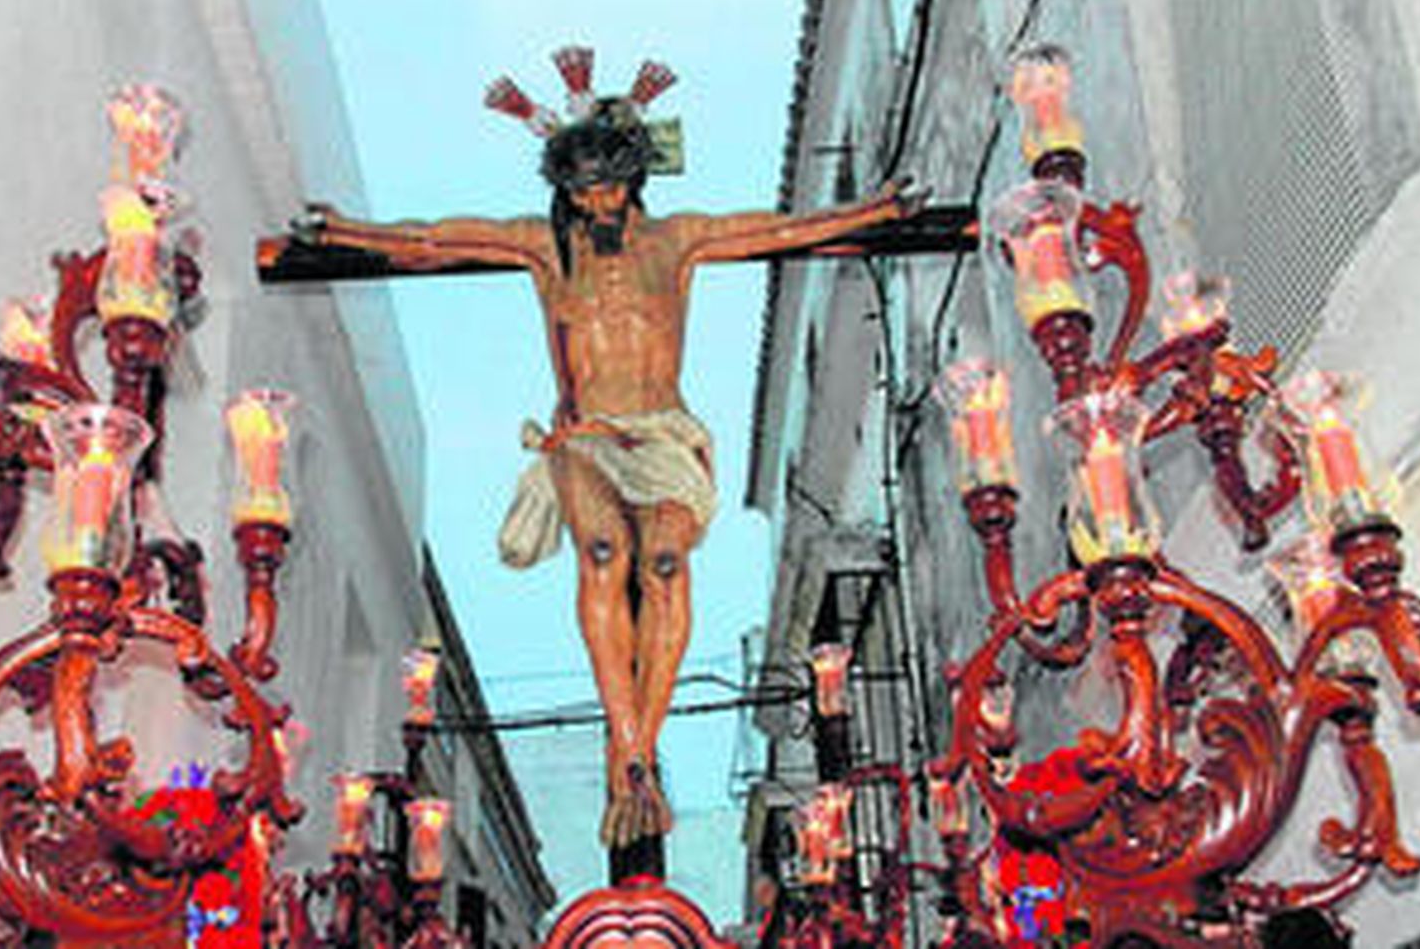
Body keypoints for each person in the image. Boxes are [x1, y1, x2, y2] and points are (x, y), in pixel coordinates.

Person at [258, 52, 925, 848]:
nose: (597, 204)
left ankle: (640, 740)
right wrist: (341, 231)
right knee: (606, 553)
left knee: (666, 565)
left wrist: (874, 212)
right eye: (581, 193)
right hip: (583, 437)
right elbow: (436, 239)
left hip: (665, 434)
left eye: (608, 188)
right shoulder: (546, 249)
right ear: (564, 191)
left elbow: (777, 230)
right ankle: (629, 743)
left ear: (633, 180)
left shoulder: (677, 242)